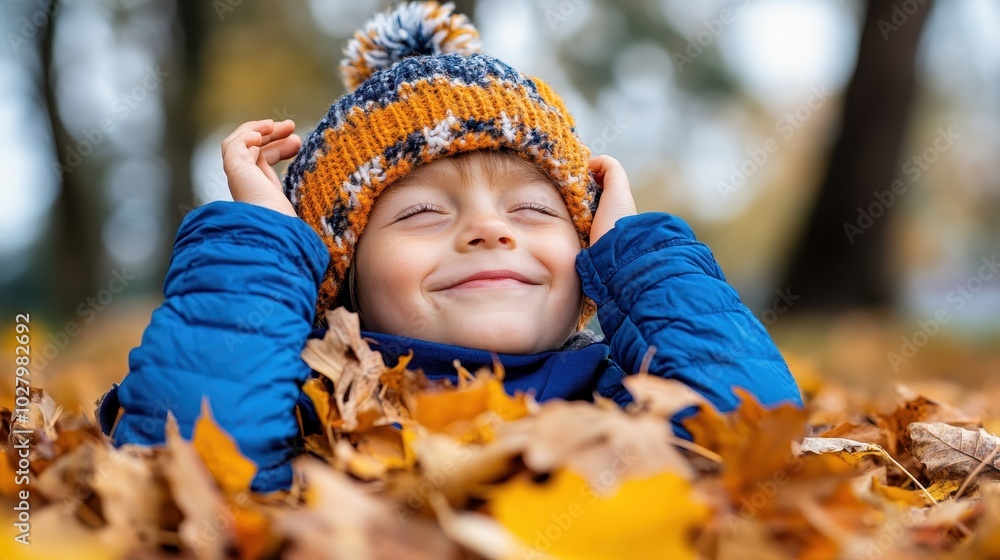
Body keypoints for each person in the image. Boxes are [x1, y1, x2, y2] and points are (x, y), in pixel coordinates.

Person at [96, 1, 802, 493]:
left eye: (530, 208)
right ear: (345, 281)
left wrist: (634, 254)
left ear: (587, 261)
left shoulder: (618, 397)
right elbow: (193, 468)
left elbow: (753, 439)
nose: (489, 230)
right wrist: (267, 244)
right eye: (425, 213)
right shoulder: (305, 405)